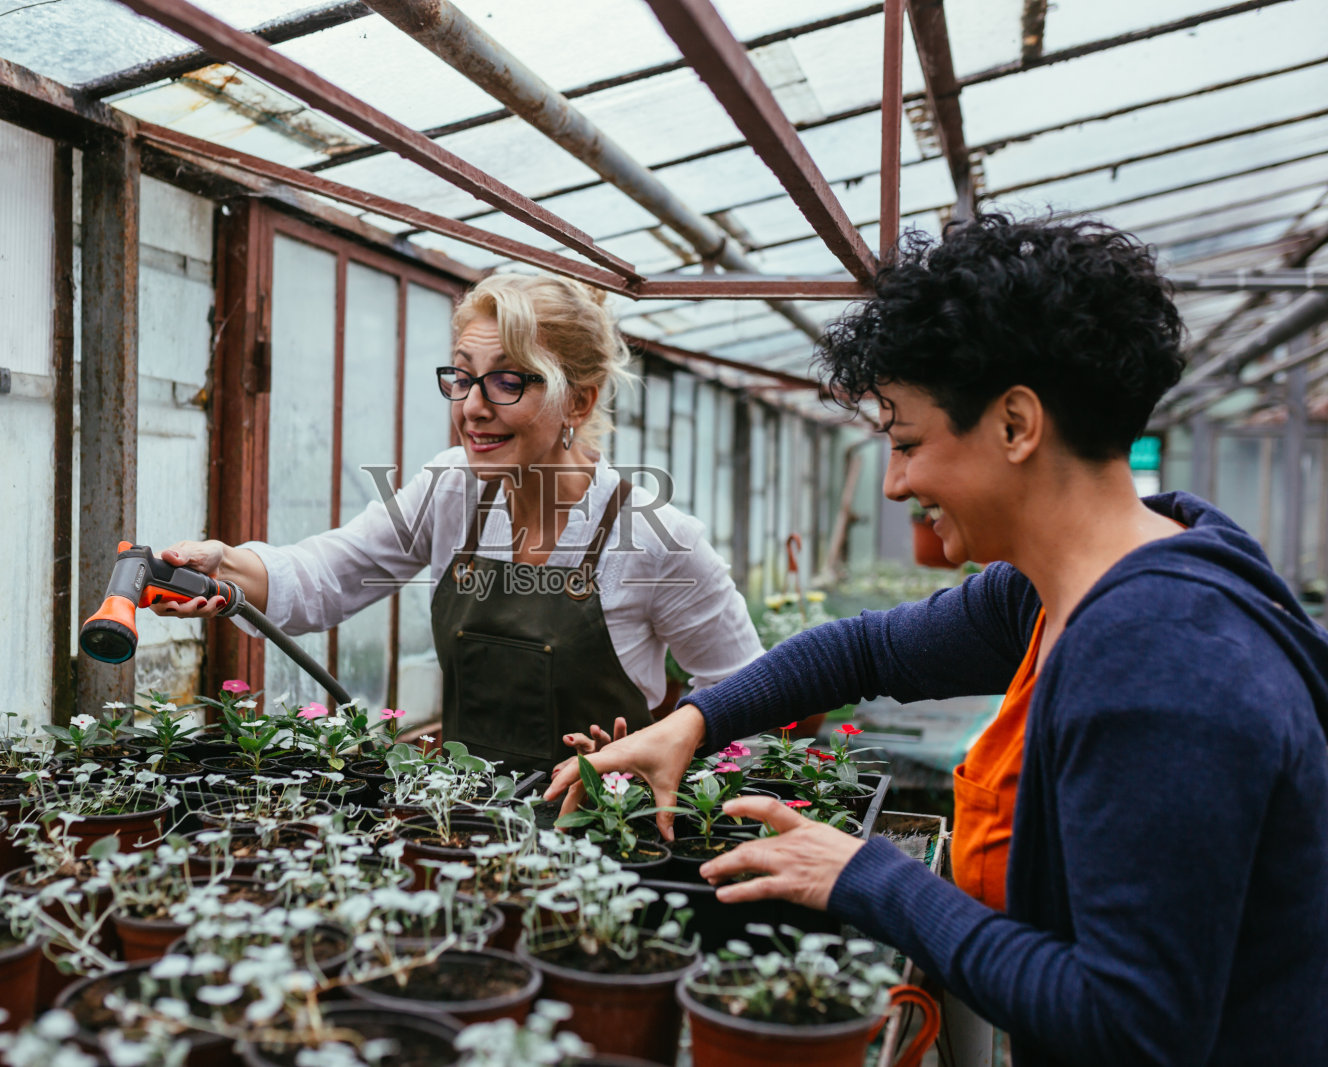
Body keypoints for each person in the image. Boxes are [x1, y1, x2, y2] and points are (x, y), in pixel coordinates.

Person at [547, 214, 1328, 1065]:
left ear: (1016, 425)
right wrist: (691, 724)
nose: (894, 484)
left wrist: (867, 877)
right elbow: (863, 651)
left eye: (908, 442)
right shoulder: (1058, 588)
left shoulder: (1164, 663)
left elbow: (1130, 1023)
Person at [153, 272, 763, 773]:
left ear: (579, 400)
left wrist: (679, 779)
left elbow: (748, 698)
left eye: (506, 380)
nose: (472, 407)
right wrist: (221, 566)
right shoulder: (451, 490)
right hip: (461, 825)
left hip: (607, 840)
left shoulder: (656, 540)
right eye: (464, 376)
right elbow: (328, 574)